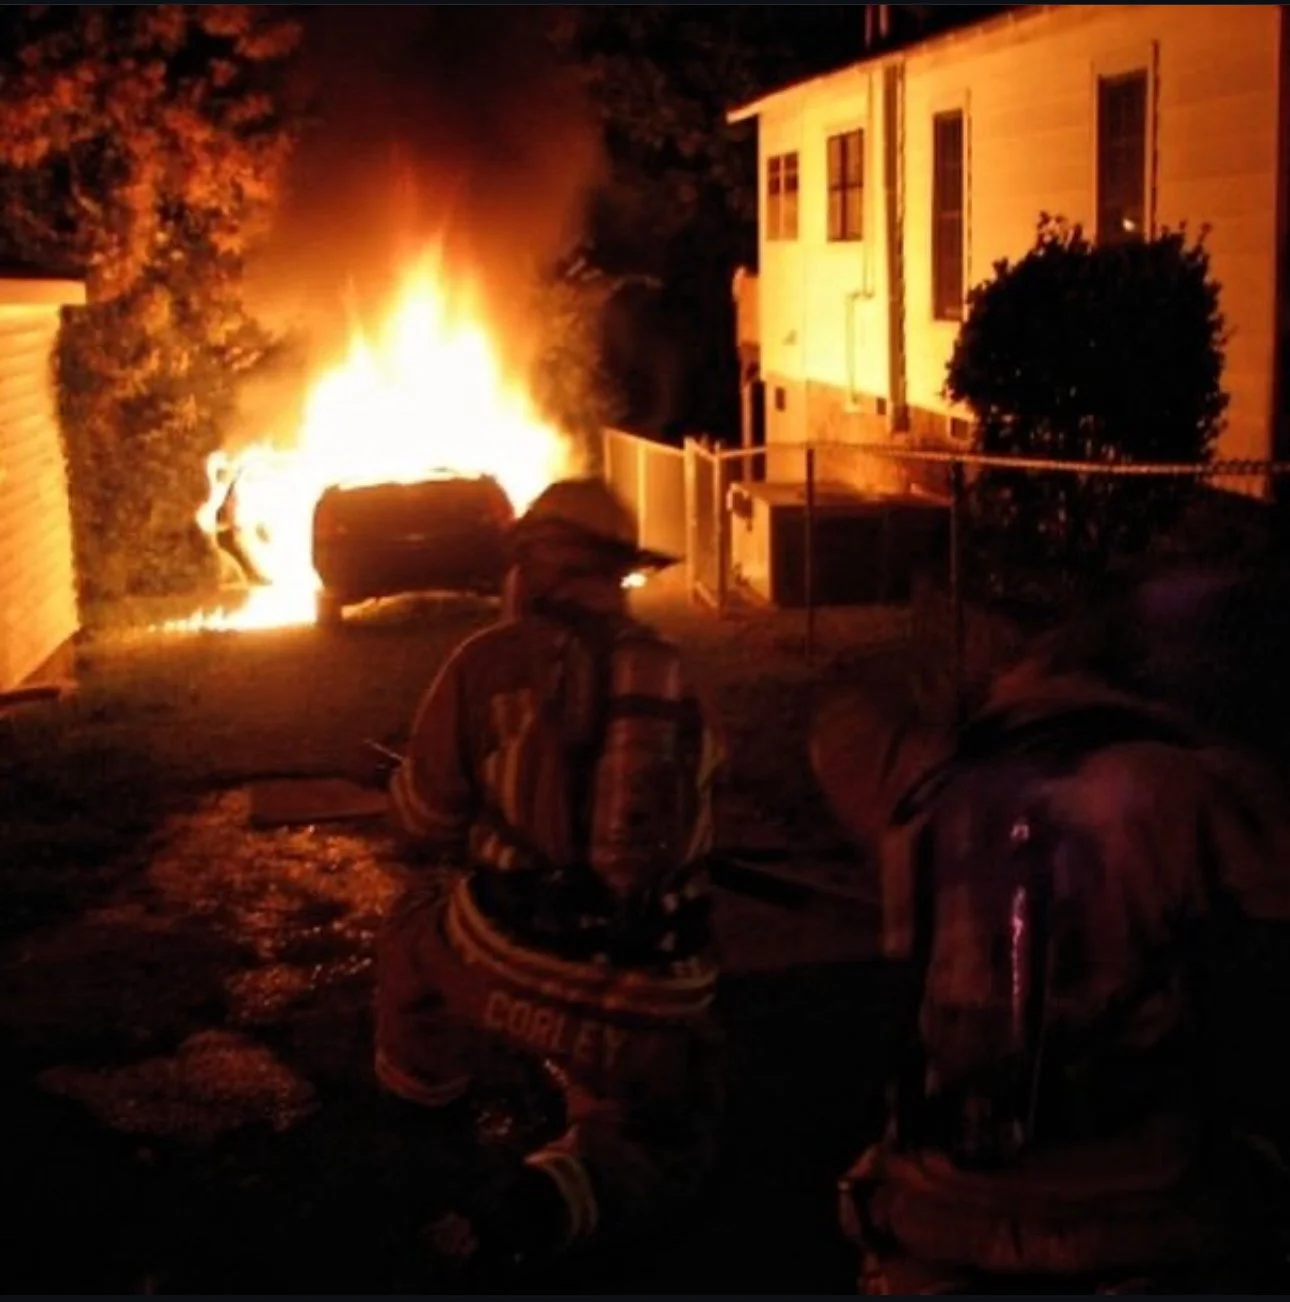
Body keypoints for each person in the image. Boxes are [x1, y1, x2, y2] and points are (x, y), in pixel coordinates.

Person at [811, 564, 1290, 1294]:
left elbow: (840, 725)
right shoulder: (1191, 788)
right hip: (1135, 1202)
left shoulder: (930, 791)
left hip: (937, 1193)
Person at [376, 477, 725, 1281]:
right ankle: (559, 1186)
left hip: (511, 964)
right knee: (661, 1134)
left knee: (410, 932)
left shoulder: (484, 663)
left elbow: (424, 823)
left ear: (534, 564)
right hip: (658, 990)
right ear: (617, 573)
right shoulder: (679, 678)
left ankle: (426, 1119)